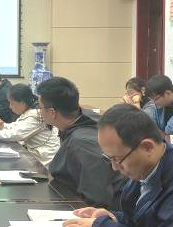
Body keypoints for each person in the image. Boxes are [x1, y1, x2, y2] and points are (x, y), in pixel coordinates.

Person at [36, 77, 126, 209]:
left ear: (52, 112)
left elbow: (97, 197)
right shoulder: (84, 119)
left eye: (40, 108)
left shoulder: (82, 143)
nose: (39, 112)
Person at [0, 83, 59, 168]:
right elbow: (17, 126)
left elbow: (15, 135)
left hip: (43, 162)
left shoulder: (35, 116)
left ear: (22, 103)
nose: (10, 107)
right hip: (35, 156)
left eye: (12, 103)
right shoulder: (30, 112)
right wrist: (3, 125)